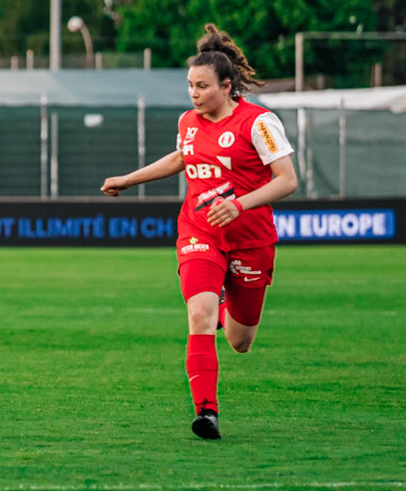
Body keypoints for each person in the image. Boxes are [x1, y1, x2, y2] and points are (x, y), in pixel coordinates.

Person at [101, 26, 298, 440]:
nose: (193, 94)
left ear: (226, 86)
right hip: (199, 230)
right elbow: (181, 157)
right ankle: (206, 412)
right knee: (199, 316)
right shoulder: (188, 121)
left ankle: (226, 304)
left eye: (202, 86)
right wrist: (128, 179)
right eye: (190, 85)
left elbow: (287, 180)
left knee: (240, 341)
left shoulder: (259, 123)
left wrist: (239, 204)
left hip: (250, 239)